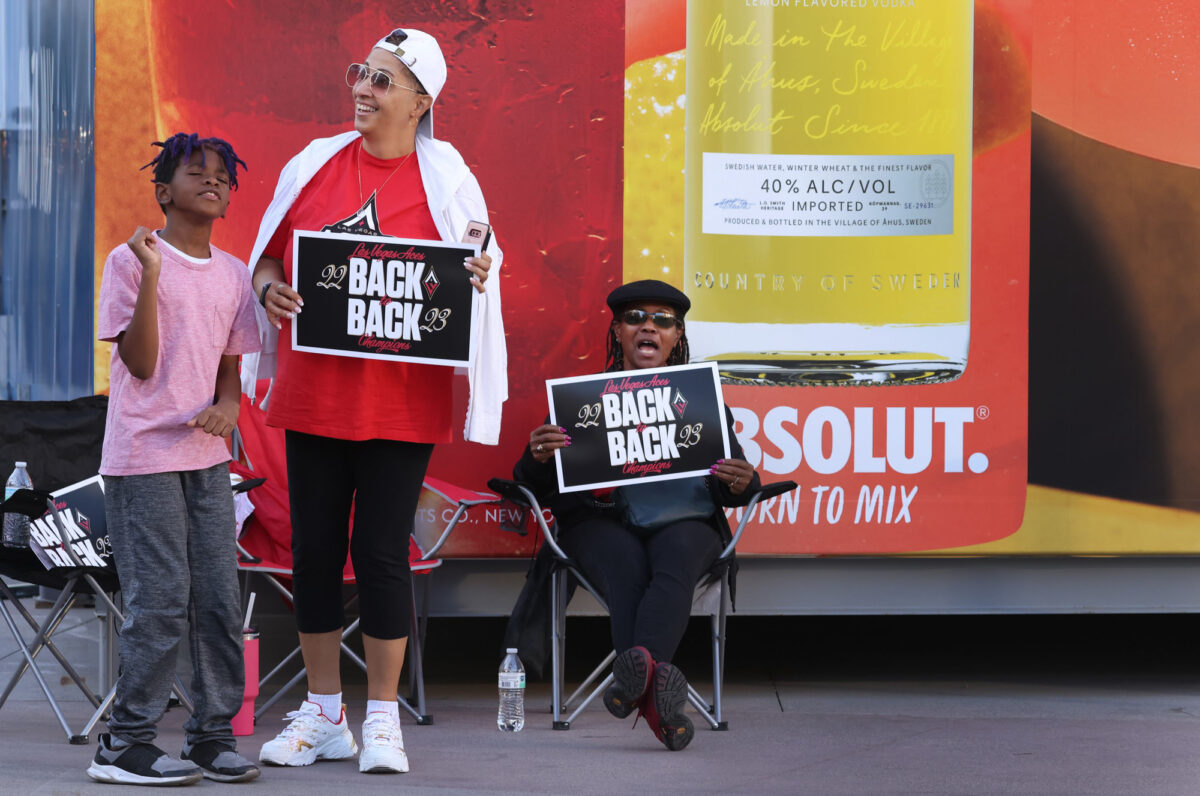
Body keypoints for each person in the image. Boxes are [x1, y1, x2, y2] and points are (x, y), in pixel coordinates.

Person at [243, 28, 505, 774]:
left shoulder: (449, 179)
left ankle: (383, 718)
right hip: (314, 394)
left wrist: (481, 275)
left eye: (384, 81)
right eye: (362, 73)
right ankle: (325, 714)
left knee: (382, 552)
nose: (363, 88)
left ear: (422, 102)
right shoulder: (313, 165)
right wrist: (269, 289)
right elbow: (266, 253)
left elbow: (481, 258)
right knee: (316, 551)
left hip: (400, 403)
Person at [513, 279, 760, 751]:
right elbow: (532, 481)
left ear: (676, 337)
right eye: (636, 318)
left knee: (678, 555)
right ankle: (656, 693)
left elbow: (740, 486)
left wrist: (743, 481)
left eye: (663, 320)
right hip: (600, 521)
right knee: (625, 566)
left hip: (685, 519)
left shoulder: (702, 403)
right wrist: (537, 458)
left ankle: (640, 677)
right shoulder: (582, 403)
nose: (649, 326)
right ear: (618, 331)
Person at [88, 134, 261, 785]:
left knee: (218, 596)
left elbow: (229, 370)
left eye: (222, 174)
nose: (213, 181)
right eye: (197, 173)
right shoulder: (130, 261)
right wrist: (155, 274)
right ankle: (124, 742)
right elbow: (139, 363)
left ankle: (210, 735)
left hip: (207, 459)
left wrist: (230, 408)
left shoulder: (235, 273)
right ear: (163, 192)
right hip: (144, 455)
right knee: (160, 599)